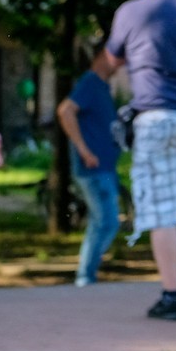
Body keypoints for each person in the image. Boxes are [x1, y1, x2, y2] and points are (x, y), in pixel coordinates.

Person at [104, 0, 176, 320]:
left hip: (156, 117)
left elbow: (112, 61)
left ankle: (171, 296)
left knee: (162, 208)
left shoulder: (131, 12)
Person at [56, 49, 123, 288]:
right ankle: (86, 276)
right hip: (94, 169)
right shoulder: (91, 83)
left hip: (105, 167)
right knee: (106, 221)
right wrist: (84, 150)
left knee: (102, 222)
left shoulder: (102, 87)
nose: (122, 62)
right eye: (118, 56)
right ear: (103, 56)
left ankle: (87, 275)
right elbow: (65, 110)